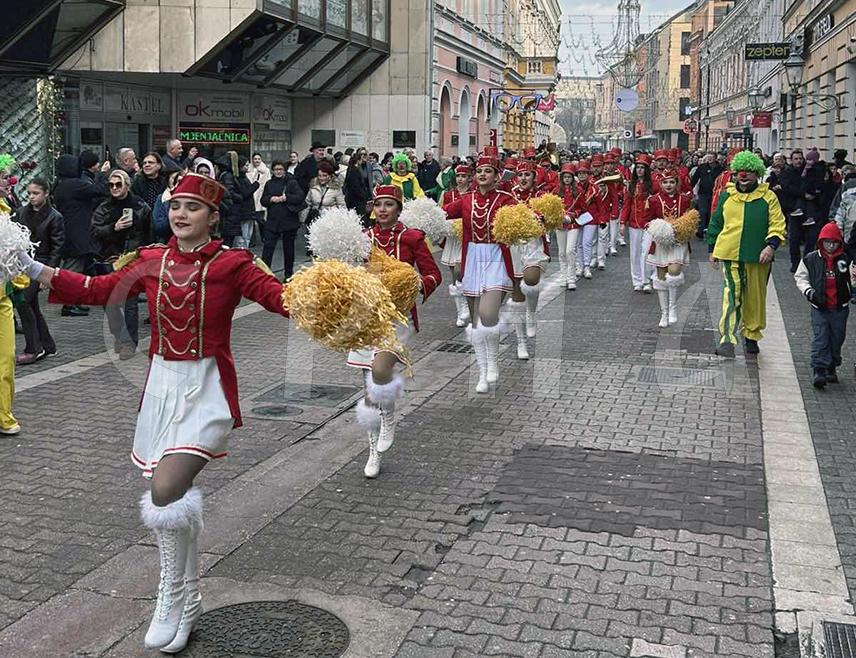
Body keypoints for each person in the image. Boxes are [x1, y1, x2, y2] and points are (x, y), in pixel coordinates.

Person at [25, 173, 293, 653]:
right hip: (161, 388)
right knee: (174, 497)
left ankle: (169, 594)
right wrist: (27, 265)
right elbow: (93, 288)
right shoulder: (149, 260)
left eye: (193, 207)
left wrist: (337, 293)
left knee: (166, 487)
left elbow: (281, 299)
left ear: (213, 216)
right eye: (176, 205)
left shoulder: (234, 264)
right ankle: (188, 599)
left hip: (207, 388)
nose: (181, 214)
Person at [348, 185, 440, 478]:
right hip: (367, 318)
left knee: (380, 370)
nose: (383, 210)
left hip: (399, 318)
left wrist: (415, 286)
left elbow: (432, 274)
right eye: (379, 205)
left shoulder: (411, 237)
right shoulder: (362, 239)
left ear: (399, 209)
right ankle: (373, 452)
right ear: (372, 209)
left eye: (389, 205)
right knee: (369, 388)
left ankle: (389, 415)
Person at [443, 150, 517, 392]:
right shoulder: (466, 200)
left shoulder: (506, 198)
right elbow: (441, 213)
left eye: (488, 171)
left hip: (495, 256)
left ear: (497, 177)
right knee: (476, 322)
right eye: (480, 171)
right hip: (472, 257)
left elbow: (525, 216)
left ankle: (494, 361)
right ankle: (482, 371)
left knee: (487, 313)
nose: (482, 174)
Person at [707, 151, 786, 357]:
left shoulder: (768, 196)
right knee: (732, 295)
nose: (743, 176)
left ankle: (751, 335)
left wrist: (771, 246)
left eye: (749, 172)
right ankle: (727, 339)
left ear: (757, 173)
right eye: (739, 172)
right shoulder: (727, 194)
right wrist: (712, 248)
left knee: (755, 298)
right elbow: (716, 221)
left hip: (759, 256)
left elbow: (777, 223)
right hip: (730, 254)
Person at [90, 169, 151, 360]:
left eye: (118, 184)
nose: (114, 188)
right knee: (110, 303)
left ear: (127, 185)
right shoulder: (103, 207)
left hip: (131, 258)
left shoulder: (141, 206)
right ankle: (120, 336)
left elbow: (149, 234)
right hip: (109, 258)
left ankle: (128, 343)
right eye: (111, 185)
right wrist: (113, 228)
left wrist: (144, 255)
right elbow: (94, 232)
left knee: (130, 302)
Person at [12, 178, 63, 363]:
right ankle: (47, 345)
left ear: (46, 193)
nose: (32, 197)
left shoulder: (54, 216)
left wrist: (47, 277)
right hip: (23, 264)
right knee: (31, 305)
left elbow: (57, 249)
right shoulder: (20, 212)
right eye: (30, 193)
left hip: (41, 263)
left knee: (24, 302)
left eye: (36, 193)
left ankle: (34, 348)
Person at [794, 222, 852, 388]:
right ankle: (819, 369)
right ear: (821, 242)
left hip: (840, 308)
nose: (831, 246)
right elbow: (800, 277)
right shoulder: (811, 259)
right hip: (820, 307)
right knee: (820, 338)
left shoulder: (845, 259)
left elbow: (852, 279)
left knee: (837, 338)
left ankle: (831, 365)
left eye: (834, 243)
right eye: (827, 242)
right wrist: (809, 292)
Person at [53, 154, 107, 317]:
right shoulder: (74, 184)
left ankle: (75, 301)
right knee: (73, 271)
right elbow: (99, 190)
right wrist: (102, 174)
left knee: (81, 268)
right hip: (76, 234)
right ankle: (68, 305)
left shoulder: (61, 184)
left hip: (71, 231)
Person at [507, 160, 549, 357]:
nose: (523, 178)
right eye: (520, 175)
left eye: (527, 175)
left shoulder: (540, 196)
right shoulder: (509, 194)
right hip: (513, 246)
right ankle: (520, 343)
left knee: (531, 281)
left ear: (534, 177)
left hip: (533, 245)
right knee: (516, 295)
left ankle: (532, 312)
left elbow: (550, 216)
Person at [646, 169, 693, 328]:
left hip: (678, 242)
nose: (669, 185)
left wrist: (683, 228)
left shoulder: (685, 199)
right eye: (665, 182)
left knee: (673, 271)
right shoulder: (653, 200)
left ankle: (673, 308)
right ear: (660, 184)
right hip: (660, 242)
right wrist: (659, 229)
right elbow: (647, 222)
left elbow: (690, 219)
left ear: (677, 183)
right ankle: (664, 313)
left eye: (672, 182)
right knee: (661, 278)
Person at [441, 164, 473, 327]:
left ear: (469, 178)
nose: (460, 179)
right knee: (454, 275)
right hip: (453, 237)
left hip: (468, 236)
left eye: (464, 176)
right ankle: (460, 311)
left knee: (461, 272)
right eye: (458, 176)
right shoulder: (448, 195)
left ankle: (468, 304)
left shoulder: (473, 194)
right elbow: (443, 214)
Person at [260, 160, 305, 276]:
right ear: (272, 171)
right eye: (276, 170)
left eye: (280, 169)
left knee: (288, 249)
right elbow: (263, 200)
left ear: (284, 170)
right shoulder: (269, 183)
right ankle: (265, 274)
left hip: (289, 221)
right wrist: (271, 199)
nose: (278, 172)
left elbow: (300, 197)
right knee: (268, 249)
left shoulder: (291, 182)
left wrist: (287, 198)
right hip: (272, 221)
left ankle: (288, 274)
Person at [621, 154, 654, 292]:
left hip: (649, 223)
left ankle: (646, 280)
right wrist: (623, 222)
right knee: (634, 253)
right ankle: (637, 280)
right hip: (634, 223)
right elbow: (627, 205)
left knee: (646, 251)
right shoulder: (631, 185)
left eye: (643, 168)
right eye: (638, 167)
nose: (640, 170)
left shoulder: (653, 185)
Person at [555, 163, 581, 290]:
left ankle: (571, 277)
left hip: (573, 224)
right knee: (561, 252)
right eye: (564, 177)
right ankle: (563, 275)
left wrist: (572, 216)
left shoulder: (578, 191)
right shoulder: (556, 191)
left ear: (572, 178)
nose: (566, 179)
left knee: (570, 250)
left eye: (569, 177)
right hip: (560, 224)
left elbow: (582, 208)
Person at [691, 153, 723, 238]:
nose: (709, 159)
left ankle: (710, 230)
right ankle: (700, 230)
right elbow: (695, 178)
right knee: (703, 211)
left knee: (711, 212)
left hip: (714, 193)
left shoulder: (720, 168)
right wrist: (690, 188)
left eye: (711, 157)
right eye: (708, 157)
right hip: (703, 192)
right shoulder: (702, 167)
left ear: (715, 158)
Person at [232, 157, 260, 249]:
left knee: (247, 235)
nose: (248, 167)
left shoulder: (244, 177)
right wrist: (256, 185)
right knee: (242, 237)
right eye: (246, 165)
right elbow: (245, 193)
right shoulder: (238, 178)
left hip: (248, 210)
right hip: (243, 211)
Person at [306, 159, 346, 223]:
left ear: (330, 176)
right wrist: (303, 220)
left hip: (330, 220)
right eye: (319, 175)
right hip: (315, 220)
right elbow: (307, 204)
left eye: (324, 175)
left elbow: (342, 206)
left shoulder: (336, 188)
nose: (321, 178)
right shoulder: (313, 186)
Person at [131, 152, 167, 217]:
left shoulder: (166, 182)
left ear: (159, 165)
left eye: (150, 162)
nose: (147, 165)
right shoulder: (137, 183)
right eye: (144, 163)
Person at [152, 170, 182, 243]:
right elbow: (158, 226)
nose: (177, 182)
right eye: (174, 178)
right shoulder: (162, 198)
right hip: (166, 241)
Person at [248, 153, 271, 244]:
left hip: (260, 196)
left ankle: (264, 237)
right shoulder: (248, 170)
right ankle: (252, 240)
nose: (256, 160)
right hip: (251, 196)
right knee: (251, 221)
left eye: (258, 159)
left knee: (260, 219)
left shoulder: (266, 170)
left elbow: (268, 183)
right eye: (255, 159)